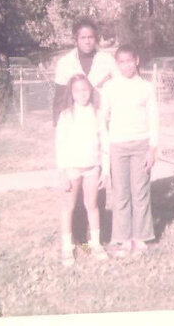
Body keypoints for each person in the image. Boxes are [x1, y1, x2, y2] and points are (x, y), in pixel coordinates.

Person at [101, 44, 159, 256]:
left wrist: (152, 148)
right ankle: (123, 238)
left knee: (140, 191)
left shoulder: (146, 87)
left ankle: (140, 237)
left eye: (129, 60)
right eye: (121, 62)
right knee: (121, 194)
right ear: (117, 64)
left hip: (141, 144)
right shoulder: (109, 87)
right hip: (118, 145)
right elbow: (103, 119)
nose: (126, 65)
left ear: (136, 60)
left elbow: (154, 118)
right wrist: (106, 148)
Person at [55, 74, 110, 266]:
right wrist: (62, 172)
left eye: (85, 89)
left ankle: (95, 244)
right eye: (77, 90)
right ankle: (67, 247)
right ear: (71, 92)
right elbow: (60, 145)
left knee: (92, 206)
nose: (82, 93)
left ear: (91, 90)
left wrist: (105, 170)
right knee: (68, 206)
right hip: (72, 168)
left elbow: (104, 142)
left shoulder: (97, 113)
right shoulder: (66, 115)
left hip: (92, 167)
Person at [52, 18, 116, 127]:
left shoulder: (108, 60)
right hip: (75, 123)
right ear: (76, 39)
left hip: (103, 121)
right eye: (83, 38)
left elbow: (117, 92)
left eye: (90, 37)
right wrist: (58, 125)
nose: (87, 41)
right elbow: (59, 99)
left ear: (95, 38)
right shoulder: (65, 63)